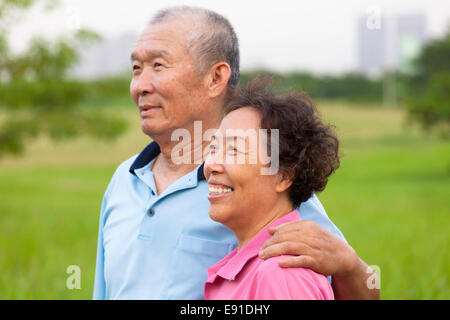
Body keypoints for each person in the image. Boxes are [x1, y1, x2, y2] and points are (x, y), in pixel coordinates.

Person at [93, 6, 379, 300]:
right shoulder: (122, 182)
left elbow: (342, 284)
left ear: (216, 77)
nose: (140, 86)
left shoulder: (260, 185)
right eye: (136, 69)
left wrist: (350, 266)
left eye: (159, 66)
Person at [204, 76, 338, 299]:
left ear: (283, 175)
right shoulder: (255, 266)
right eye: (214, 148)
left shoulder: (282, 274)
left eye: (234, 150)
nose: (211, 165)